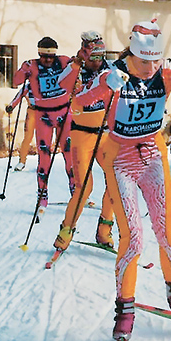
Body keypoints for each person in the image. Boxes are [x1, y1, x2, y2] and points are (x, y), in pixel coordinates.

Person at [80, 19, 171, 340]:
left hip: (152, 156)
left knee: (167, 230)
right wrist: (104, 87)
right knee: (134, 239)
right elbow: (77, 104)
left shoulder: (165, 71)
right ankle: (124, 309)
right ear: (131, 54)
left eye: (155, 60)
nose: (150, 68)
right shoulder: (114, 73)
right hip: (120, 159)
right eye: (144, 61)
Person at [53, 38, 118, 253]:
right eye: (93, 58)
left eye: (101, 57)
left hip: (106, 134)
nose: (98, 62)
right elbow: (62, 84)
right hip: (82, 135)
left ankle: (104, 231)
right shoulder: (74, 69)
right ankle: (65, 232)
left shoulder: (110, 70)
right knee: (84, 187)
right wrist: (77, 64)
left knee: (115, 180)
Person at [12, 36, 78, 209]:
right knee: (44, 156)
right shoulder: (32, 65)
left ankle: (76, 191)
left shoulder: (63, 61)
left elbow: (80, 66)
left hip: (64, 112)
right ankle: (42, 194)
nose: (48, 60)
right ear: (38, 54)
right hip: (44, 116)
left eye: (51, 57)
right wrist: (23, 70)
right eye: (44, 56)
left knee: (69, 153)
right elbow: (16, 81)